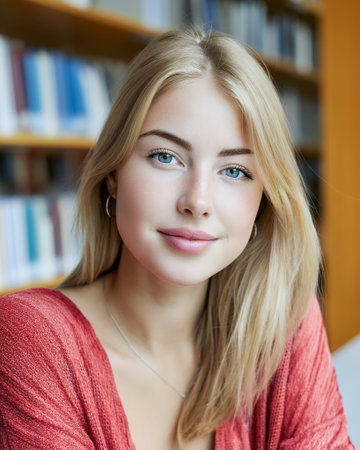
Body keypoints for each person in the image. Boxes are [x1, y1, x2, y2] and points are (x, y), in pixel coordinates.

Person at [0, 28, 354, 449]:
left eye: (235, 171)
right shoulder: (31, 336)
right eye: (165, 157)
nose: (197, 201)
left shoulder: (284, 326)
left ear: (264, 199)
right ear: (113, 174)